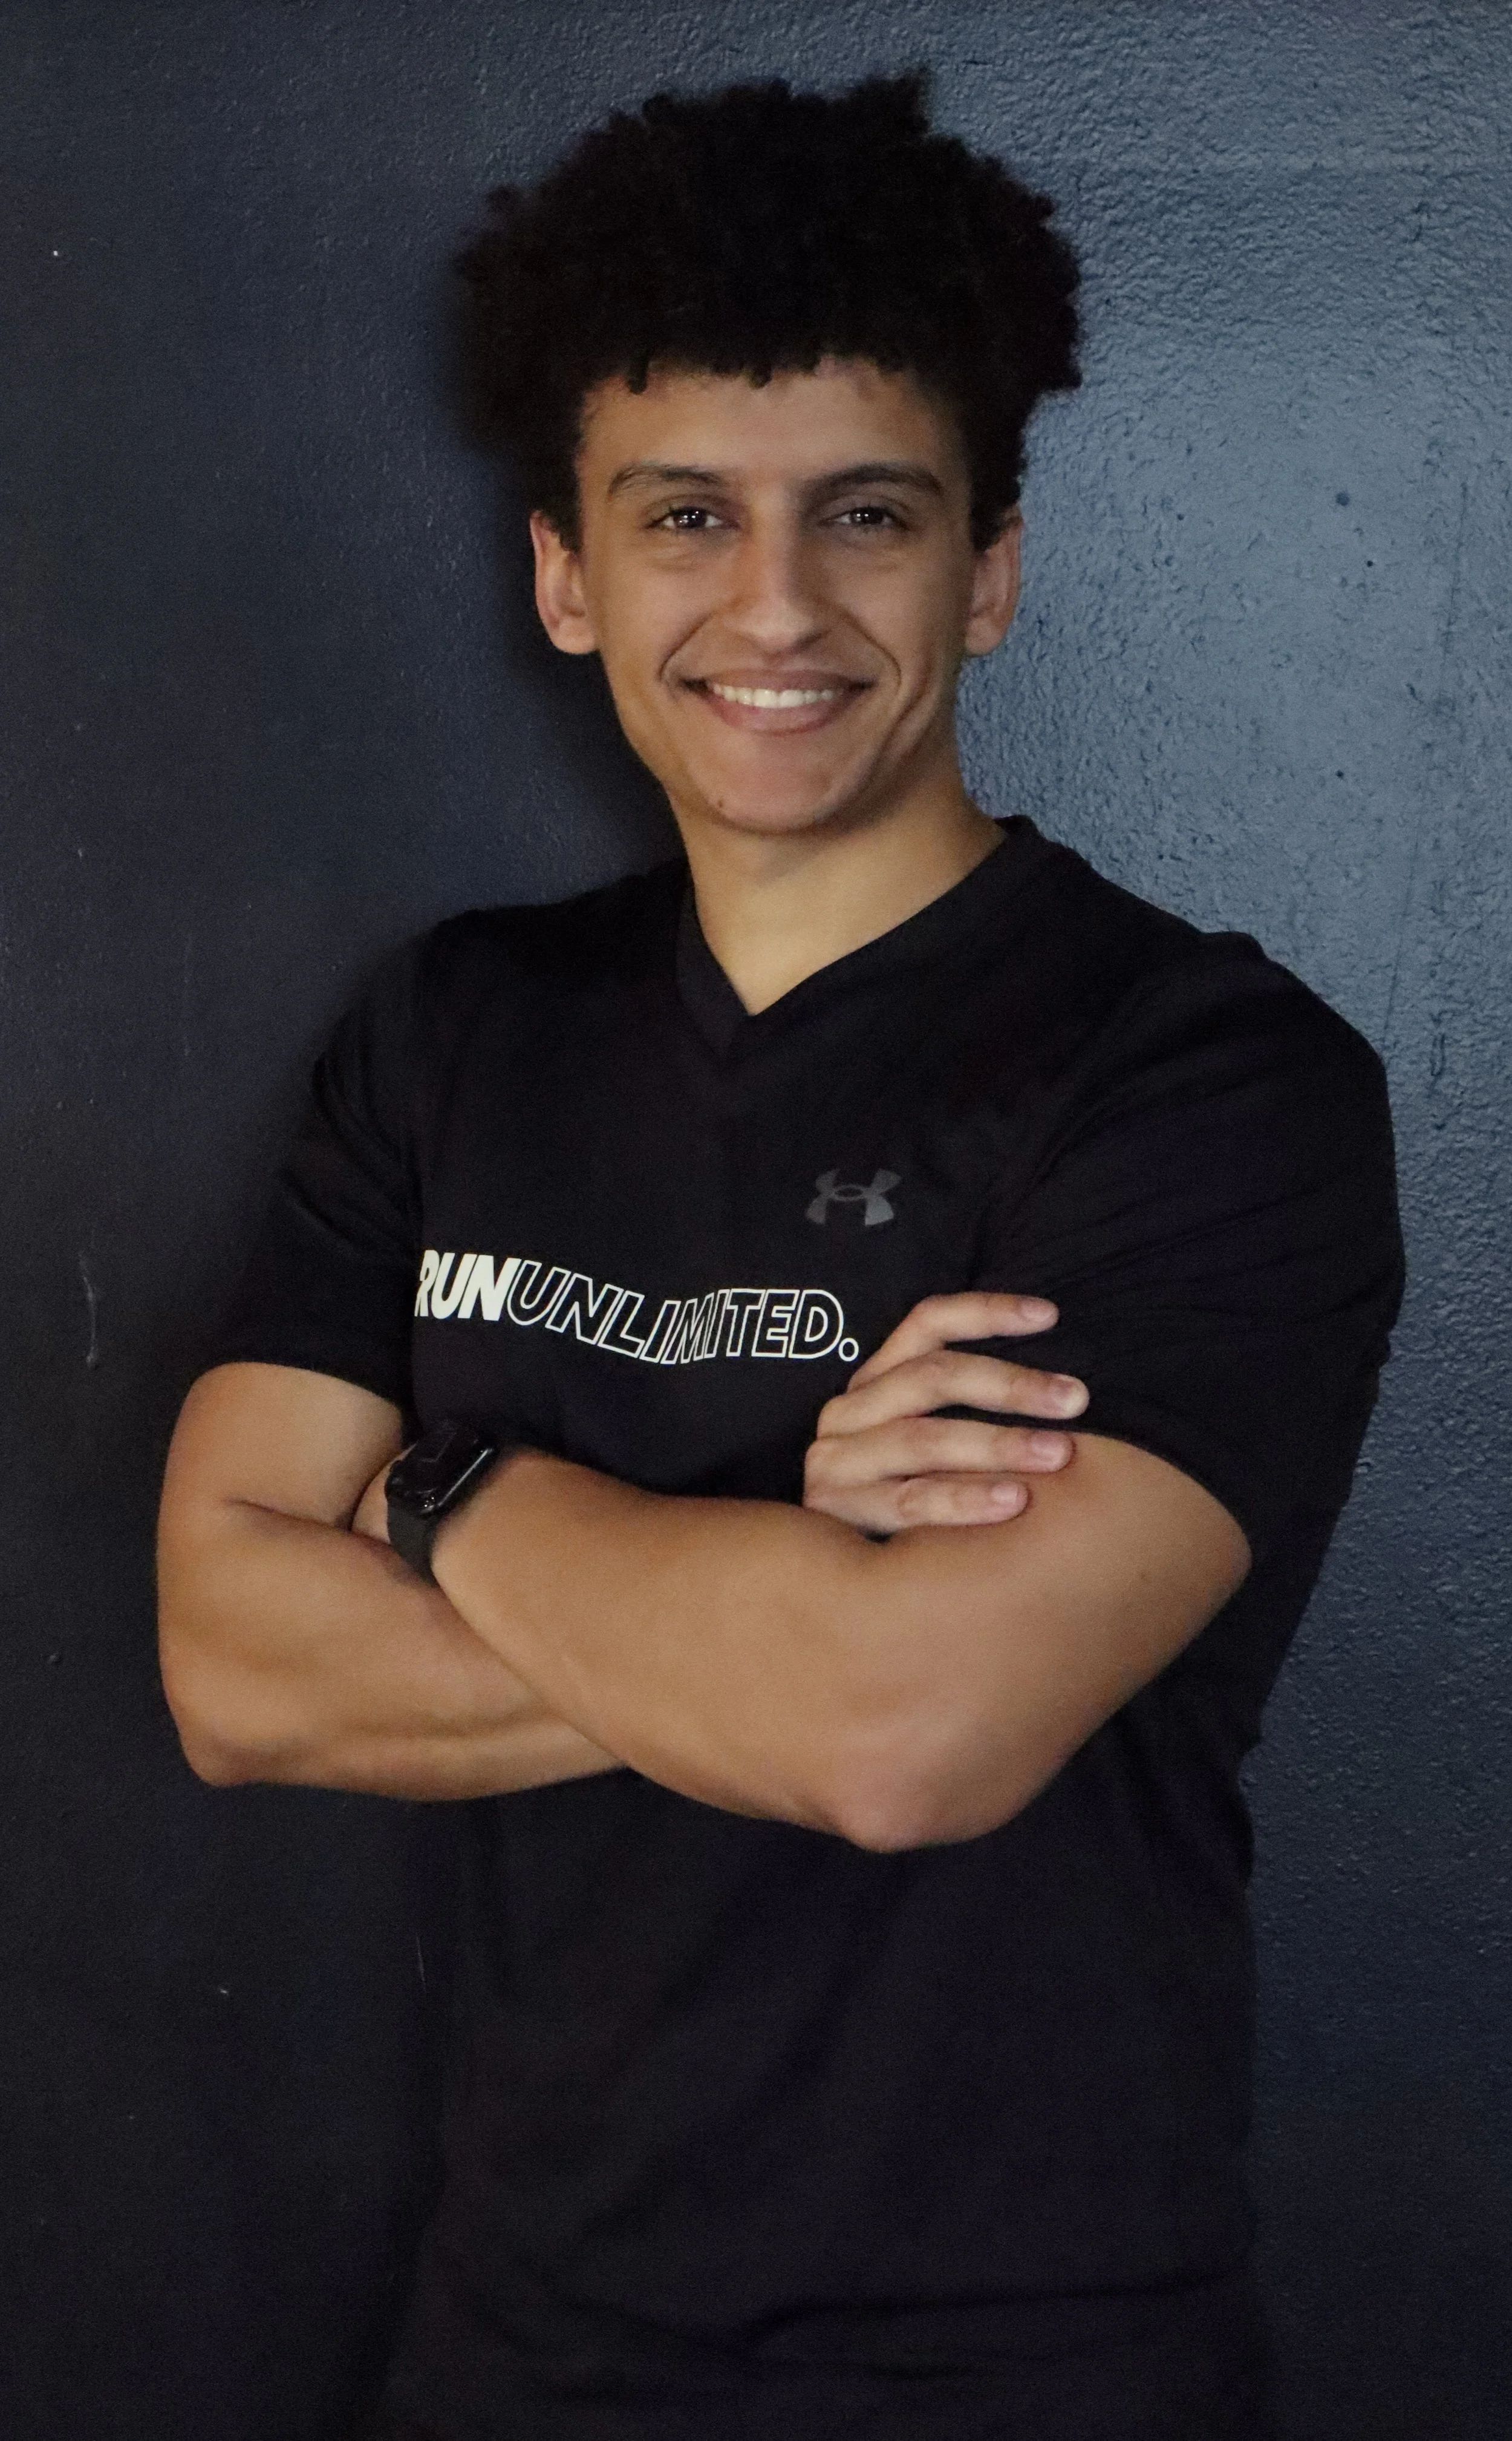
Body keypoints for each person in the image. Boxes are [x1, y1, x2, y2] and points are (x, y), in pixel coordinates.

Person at [156, 71, 1404, 2441]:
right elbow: (231, 1667)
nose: (774, 608)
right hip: (513, 2355)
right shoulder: (455, 1035)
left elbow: (900, 1733)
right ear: (563, 571)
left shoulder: (1200, 1078)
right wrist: (786, 1565)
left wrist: (443, 1488)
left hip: (1034, 2374)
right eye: (683, 519)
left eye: (866, 517)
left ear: (989, 565)